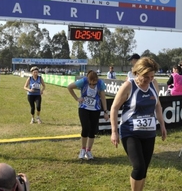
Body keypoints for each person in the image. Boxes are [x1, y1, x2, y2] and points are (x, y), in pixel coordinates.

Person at [110, 57, 166, 191]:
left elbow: (157, 105)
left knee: (144, 168)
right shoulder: (128, 86)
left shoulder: (154, 84)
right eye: (146, 77)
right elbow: (114, 108)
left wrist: (162, 125)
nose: (149, 80)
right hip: (130, 132)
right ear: (138, 72)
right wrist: (114, 131)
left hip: (149, 132)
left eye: (152, 76)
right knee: (139, 167)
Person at [67, 70, 109, 160]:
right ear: (88, 80)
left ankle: (88, 150)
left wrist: (105, 111)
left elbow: (103, 97)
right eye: (91, 84)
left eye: (95, 84)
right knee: (85, 128)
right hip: (84, 108)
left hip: (95, 109)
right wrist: (77, 98)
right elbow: (69, 87)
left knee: (92, 130)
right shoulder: (83, 81)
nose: (93, 85)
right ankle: (82, 149)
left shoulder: (100, 83)